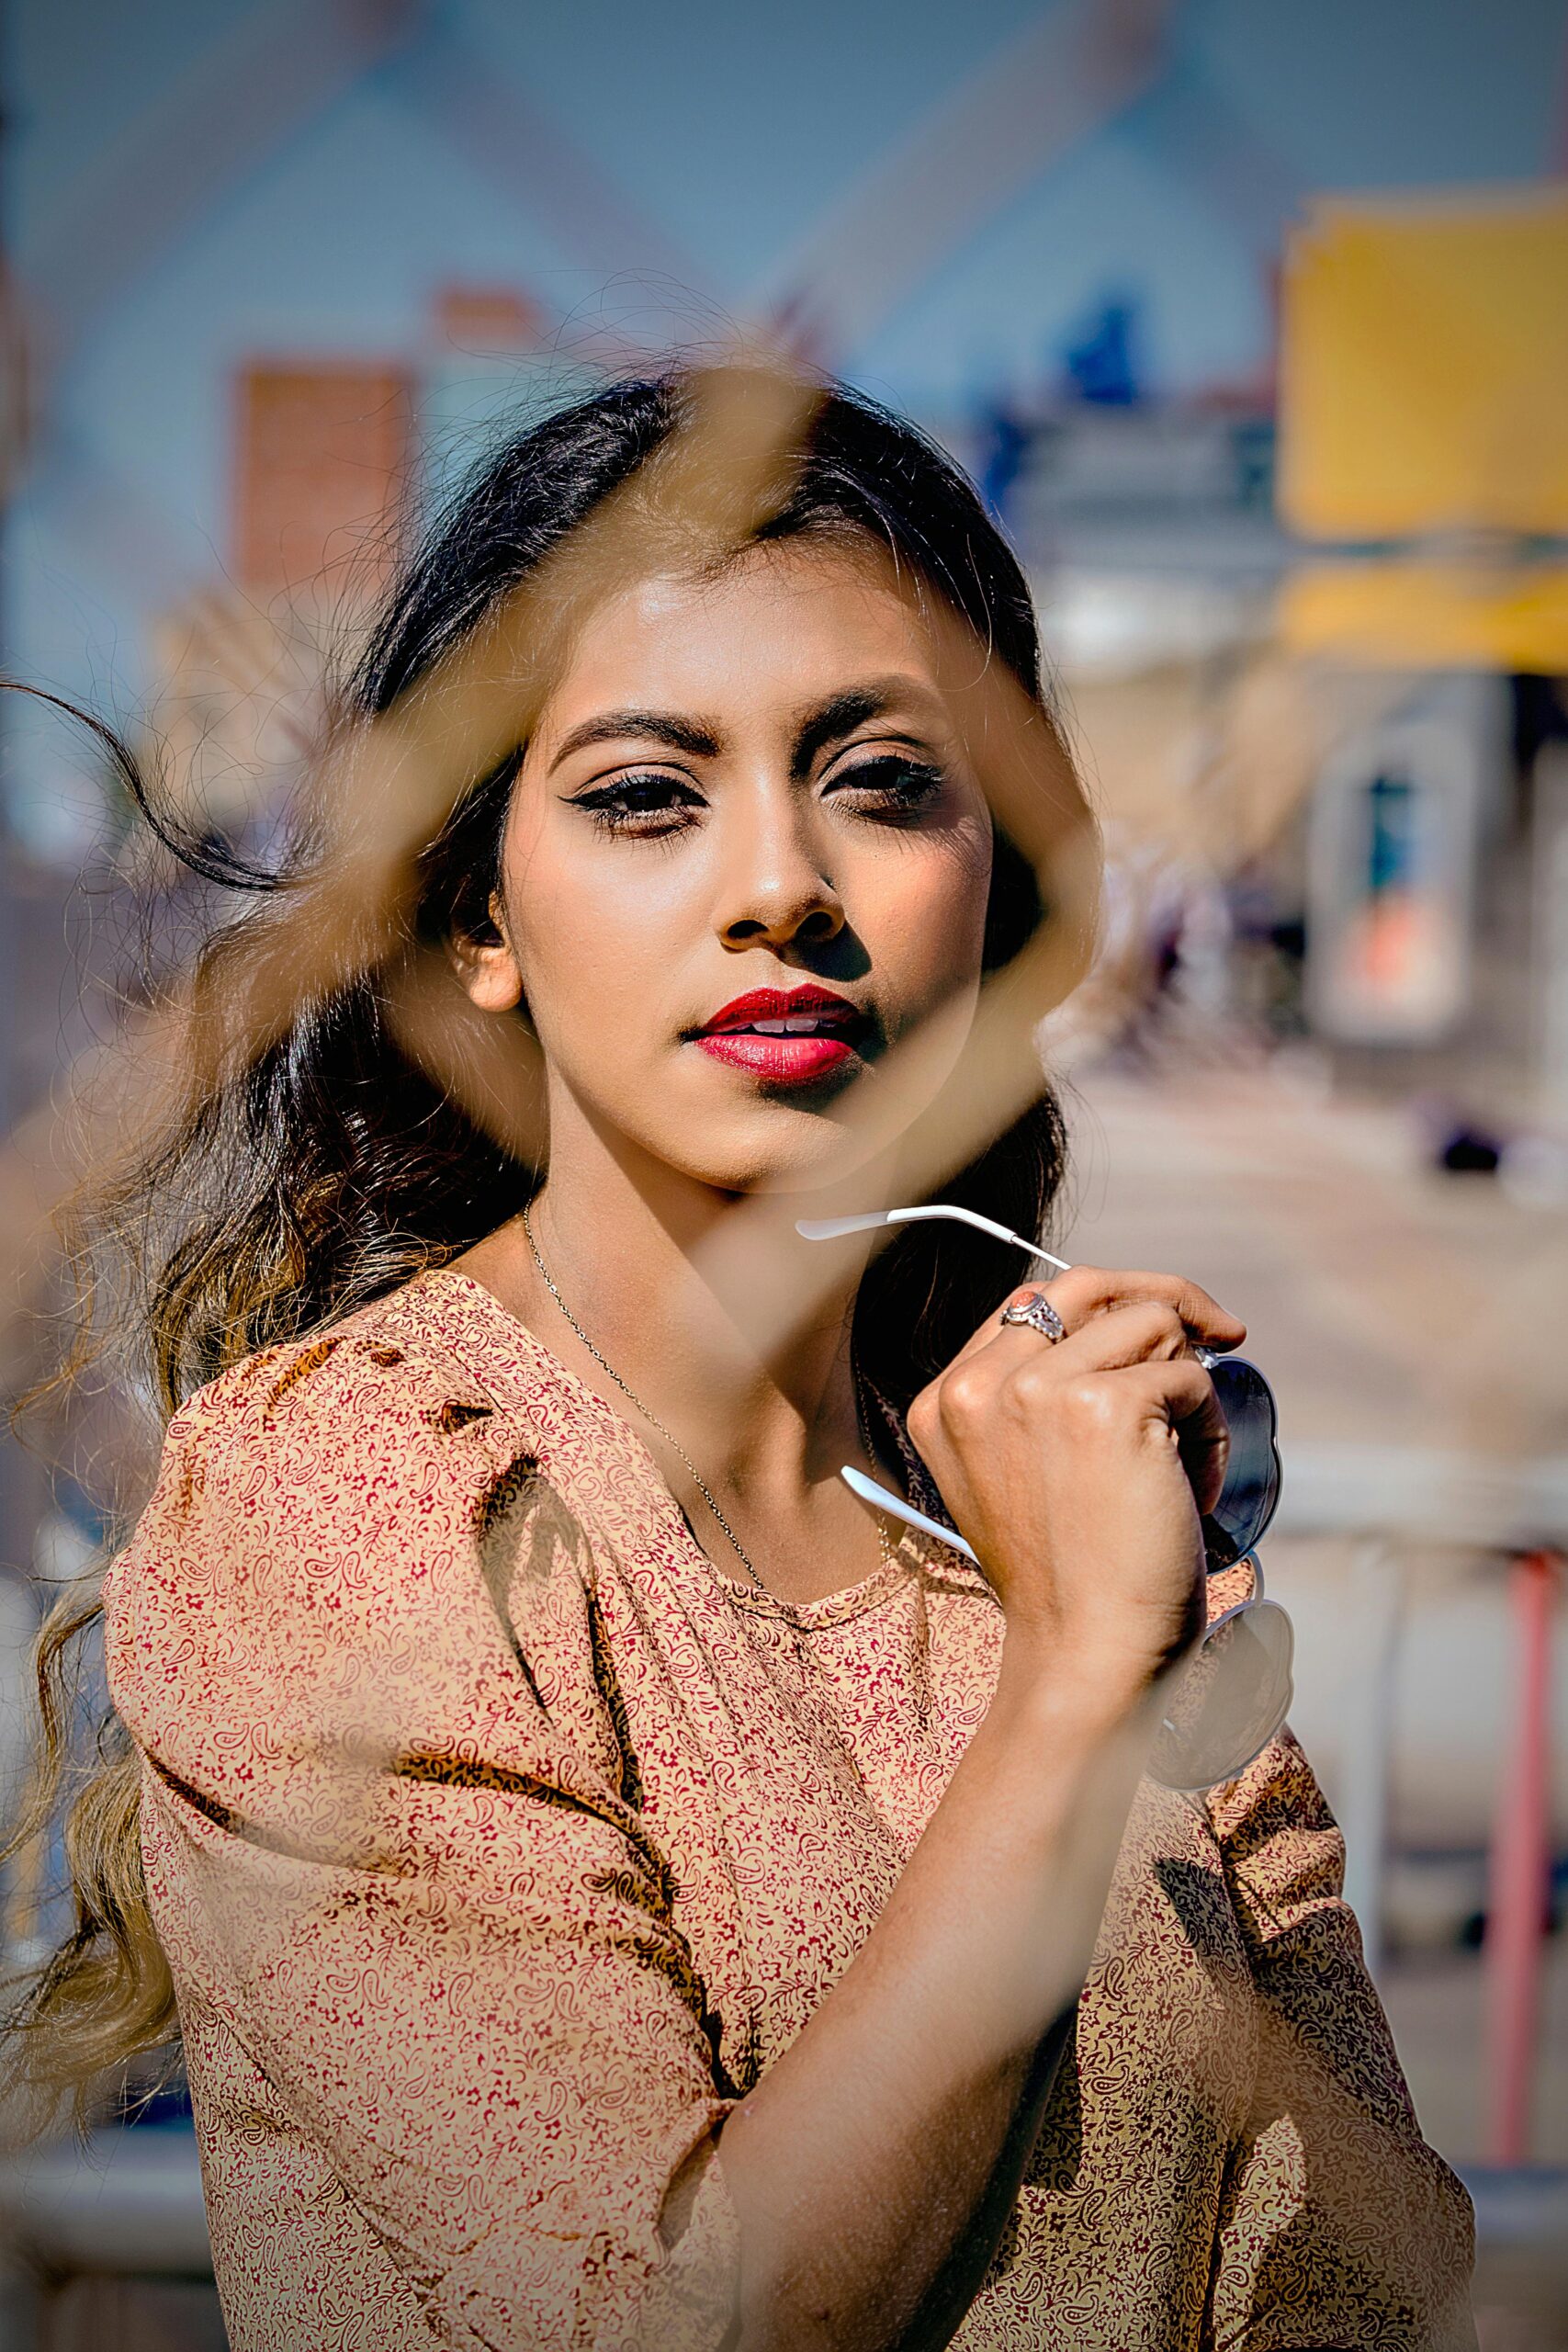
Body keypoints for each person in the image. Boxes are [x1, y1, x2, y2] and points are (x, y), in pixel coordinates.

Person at [8, 368, 1473, 2350]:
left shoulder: (1043, 1478)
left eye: (879, 780)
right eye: (642, 794)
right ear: (474, 926)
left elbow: (1379, 2264)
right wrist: (1065, 1694)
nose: (782, 885)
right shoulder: (363, 1493)